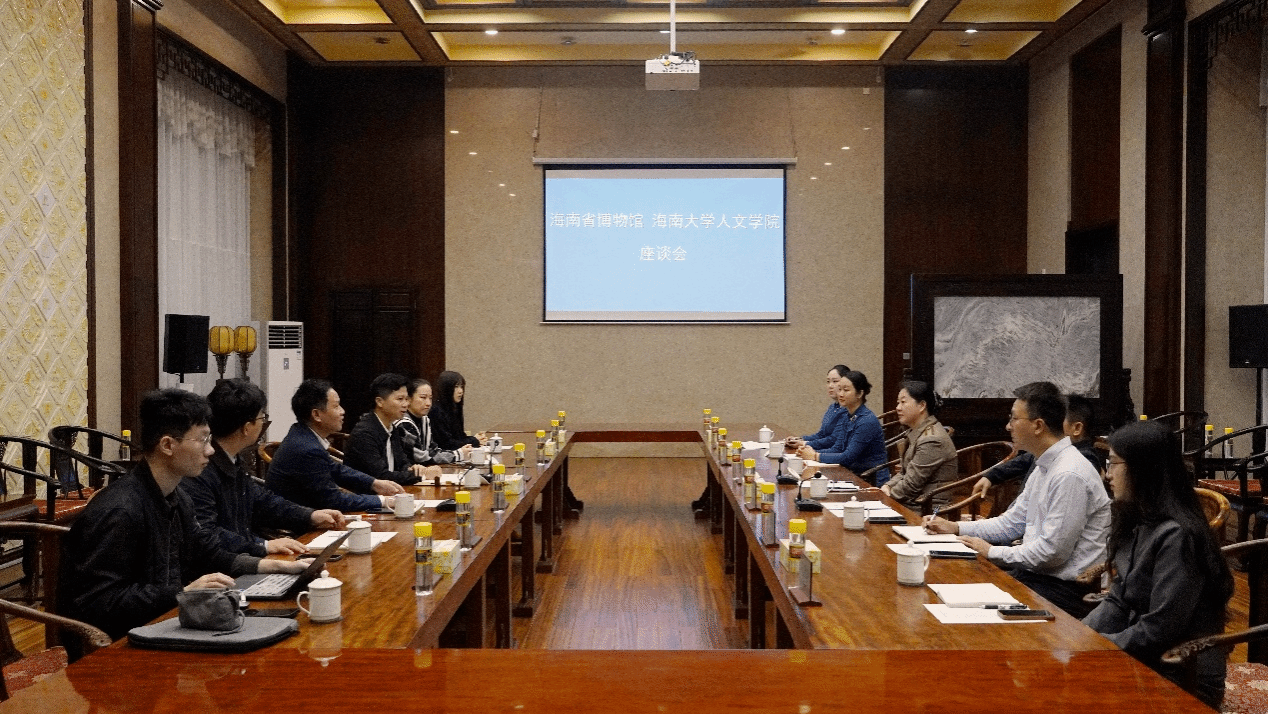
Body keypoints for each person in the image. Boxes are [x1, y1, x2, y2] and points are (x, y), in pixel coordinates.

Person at [60, 389, 309, 642]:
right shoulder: (120, 510)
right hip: (123, 643)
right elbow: (98, 603)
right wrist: (183, 593)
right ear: (168, 445)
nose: (210, 450)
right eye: (202, 440)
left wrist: (272, 566)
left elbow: (206, 554)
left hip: (165, 624)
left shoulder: (178, 497)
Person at [924, 381, 1111, 618]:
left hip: (1063, 591)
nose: (1008, 426)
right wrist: (955, 528)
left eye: (1013, 419)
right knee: (946, 586)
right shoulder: (1045, 465)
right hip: (1035, 578)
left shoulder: (1069, 473)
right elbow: (1011, 523)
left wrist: (992, 552)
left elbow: (1052, 553)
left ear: (1038, 425)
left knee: (963, 613)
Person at [1083, 421, 1233, 709]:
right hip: (1148, 656)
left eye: (1113, 463)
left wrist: (1099, 647)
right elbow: (1118, 601)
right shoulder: (1138, 518)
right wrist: (1078, 635)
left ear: (1143, 468)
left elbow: (1160, 629)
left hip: (1182, 674)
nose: (1107, 474)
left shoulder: (1178, 535)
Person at [181, 379, 346, 558]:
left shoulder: (233, 459)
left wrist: (310, 516)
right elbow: (208, 534)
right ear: (246, 428)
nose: (263, 424)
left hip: (244, 557)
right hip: (226, 565)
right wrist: (263, 545)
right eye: (262, 418)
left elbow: (262, 501)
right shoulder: (200, 470)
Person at [266, 379, 404, 513]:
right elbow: (333, 500)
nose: (342, 411)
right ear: (316, 414)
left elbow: (335, 469)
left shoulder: (302, 434)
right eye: (336, 406)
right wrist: (382, 501)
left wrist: (374, 483)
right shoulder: (306, 448)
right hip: (297, 525)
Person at [971, 393, 1104, 500]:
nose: (1048, 426)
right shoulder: (1051, 452)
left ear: (1077, 428)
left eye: (1057, 421)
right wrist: (991, 476)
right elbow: (1024, 460)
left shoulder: (1082, 461)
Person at [794, 370, 890, 485]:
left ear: (859, 394)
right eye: (839, 389)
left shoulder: (866, 421)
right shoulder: (846, 416)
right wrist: (808, 452)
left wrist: (815, 456)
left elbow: (847, 457)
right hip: (851, 473)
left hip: (870, 479)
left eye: (846, 390)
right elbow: (837, 448)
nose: (840, 394)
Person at [879, 380, 957, 509]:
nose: (898, 407)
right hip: (912, 502)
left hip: (927, 510)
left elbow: (911, 485)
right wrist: (888, 486)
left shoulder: (932, 440)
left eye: (903, 402)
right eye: (898, 402)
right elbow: (905, 472)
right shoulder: (917, 431)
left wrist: (884, 499)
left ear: (921, 406)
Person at [343, 373, 427, 486]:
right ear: (379, 402)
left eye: (407, 399)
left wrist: (413, 469)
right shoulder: (364, 433)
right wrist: (420, 475)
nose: (406, 404)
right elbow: (381, 476)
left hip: (392, 491)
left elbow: (402, 464)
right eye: (400, 399)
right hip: (368, 494)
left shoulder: (393, 428)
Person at [396, 378, 469, 474]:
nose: (428, 403)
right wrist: (458, 454)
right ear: (409, 399)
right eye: (423, 397)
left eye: (430, 398)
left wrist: (459, 453)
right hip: (407, 474)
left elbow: (432, 450)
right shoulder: (404, 423)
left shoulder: (424, 420)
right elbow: (420, 458)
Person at [793, 364, 851, 452]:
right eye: (828, 382)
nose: (830, 386)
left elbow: (833, 440)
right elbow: (821, 434)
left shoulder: (848, 409)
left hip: (834, 454)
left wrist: (805, 444)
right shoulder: (833, 407)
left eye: (835, 381)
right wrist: (799, 439)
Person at [428, 370, 487, 451]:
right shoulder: (436, 411)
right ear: (446, 388)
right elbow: (447, 444)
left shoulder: (454, 409)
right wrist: (474, 440)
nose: (460, 391)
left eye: (461, 386)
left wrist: (476, 439)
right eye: (456, 387)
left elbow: (459, 438)